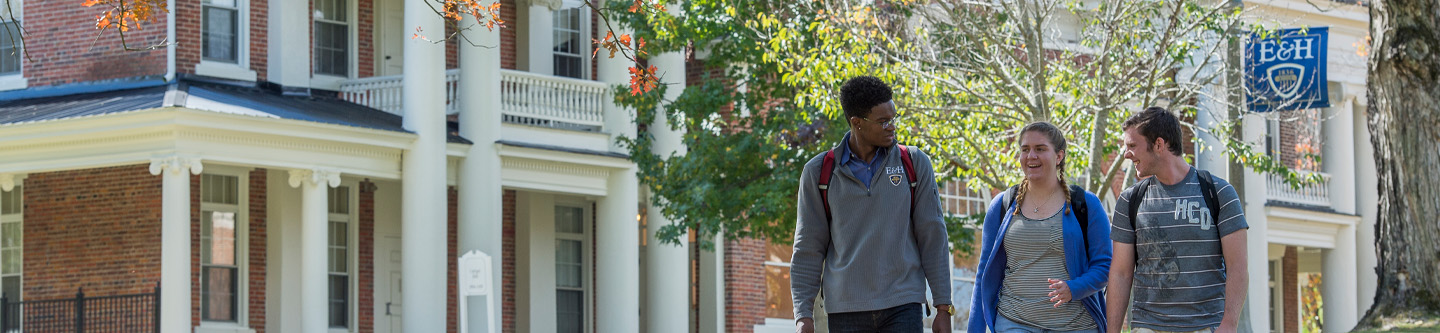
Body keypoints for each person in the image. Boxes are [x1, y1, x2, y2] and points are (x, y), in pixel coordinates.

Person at [791, 76, 953, 333]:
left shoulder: (913, 164)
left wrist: (943, 306)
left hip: (904, 302)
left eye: (893, 118)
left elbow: (933, 236)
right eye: (883, 121)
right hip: (845, 309)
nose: (892, 127)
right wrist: (803, 314)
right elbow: (807, 248)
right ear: (856, 122)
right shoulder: (819, 173)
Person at [1106, 106, 1249, 333]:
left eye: (1132, 146)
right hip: (1148, 327)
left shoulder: (1219, 193)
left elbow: (1238, 266)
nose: (1126, 153)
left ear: (1159, 145)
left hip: (1206, 326)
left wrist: (1229, 323)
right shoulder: (1130, 200)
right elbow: (1121, 273)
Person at [967, 121, 1112, 333]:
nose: (1031, 156)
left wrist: (1074, 288)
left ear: (1059, 156)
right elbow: (984, 274)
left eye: (1040, 149)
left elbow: (1105, 266)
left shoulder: (1085, 204)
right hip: (1014, 322)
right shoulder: (1003, 204)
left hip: (1076, 326)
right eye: (1025, 149)